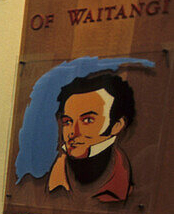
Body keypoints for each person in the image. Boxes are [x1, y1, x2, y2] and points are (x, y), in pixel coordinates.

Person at [48, 72, 135, 202]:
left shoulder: (123, 182)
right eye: (68, 122)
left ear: (117, 125)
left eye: (88, 120)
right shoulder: (51, 180)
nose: (73, 132)